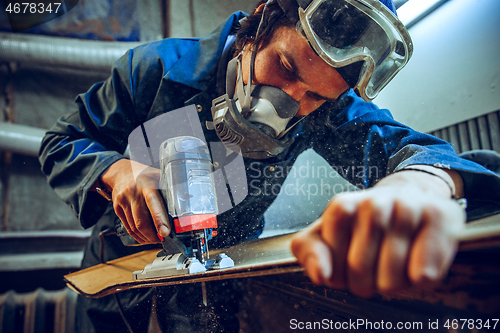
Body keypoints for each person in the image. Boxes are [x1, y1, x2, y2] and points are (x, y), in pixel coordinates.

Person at [39, 0, 500, 332]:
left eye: (316, 96)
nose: (287, 105)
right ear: (261, 20)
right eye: (285, 67)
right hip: (123, 276)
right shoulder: (155, 69)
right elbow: (62, 141)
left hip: (222, 277)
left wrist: (420, 187)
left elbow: (410, 149)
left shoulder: (326, 111)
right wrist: (116, 170)